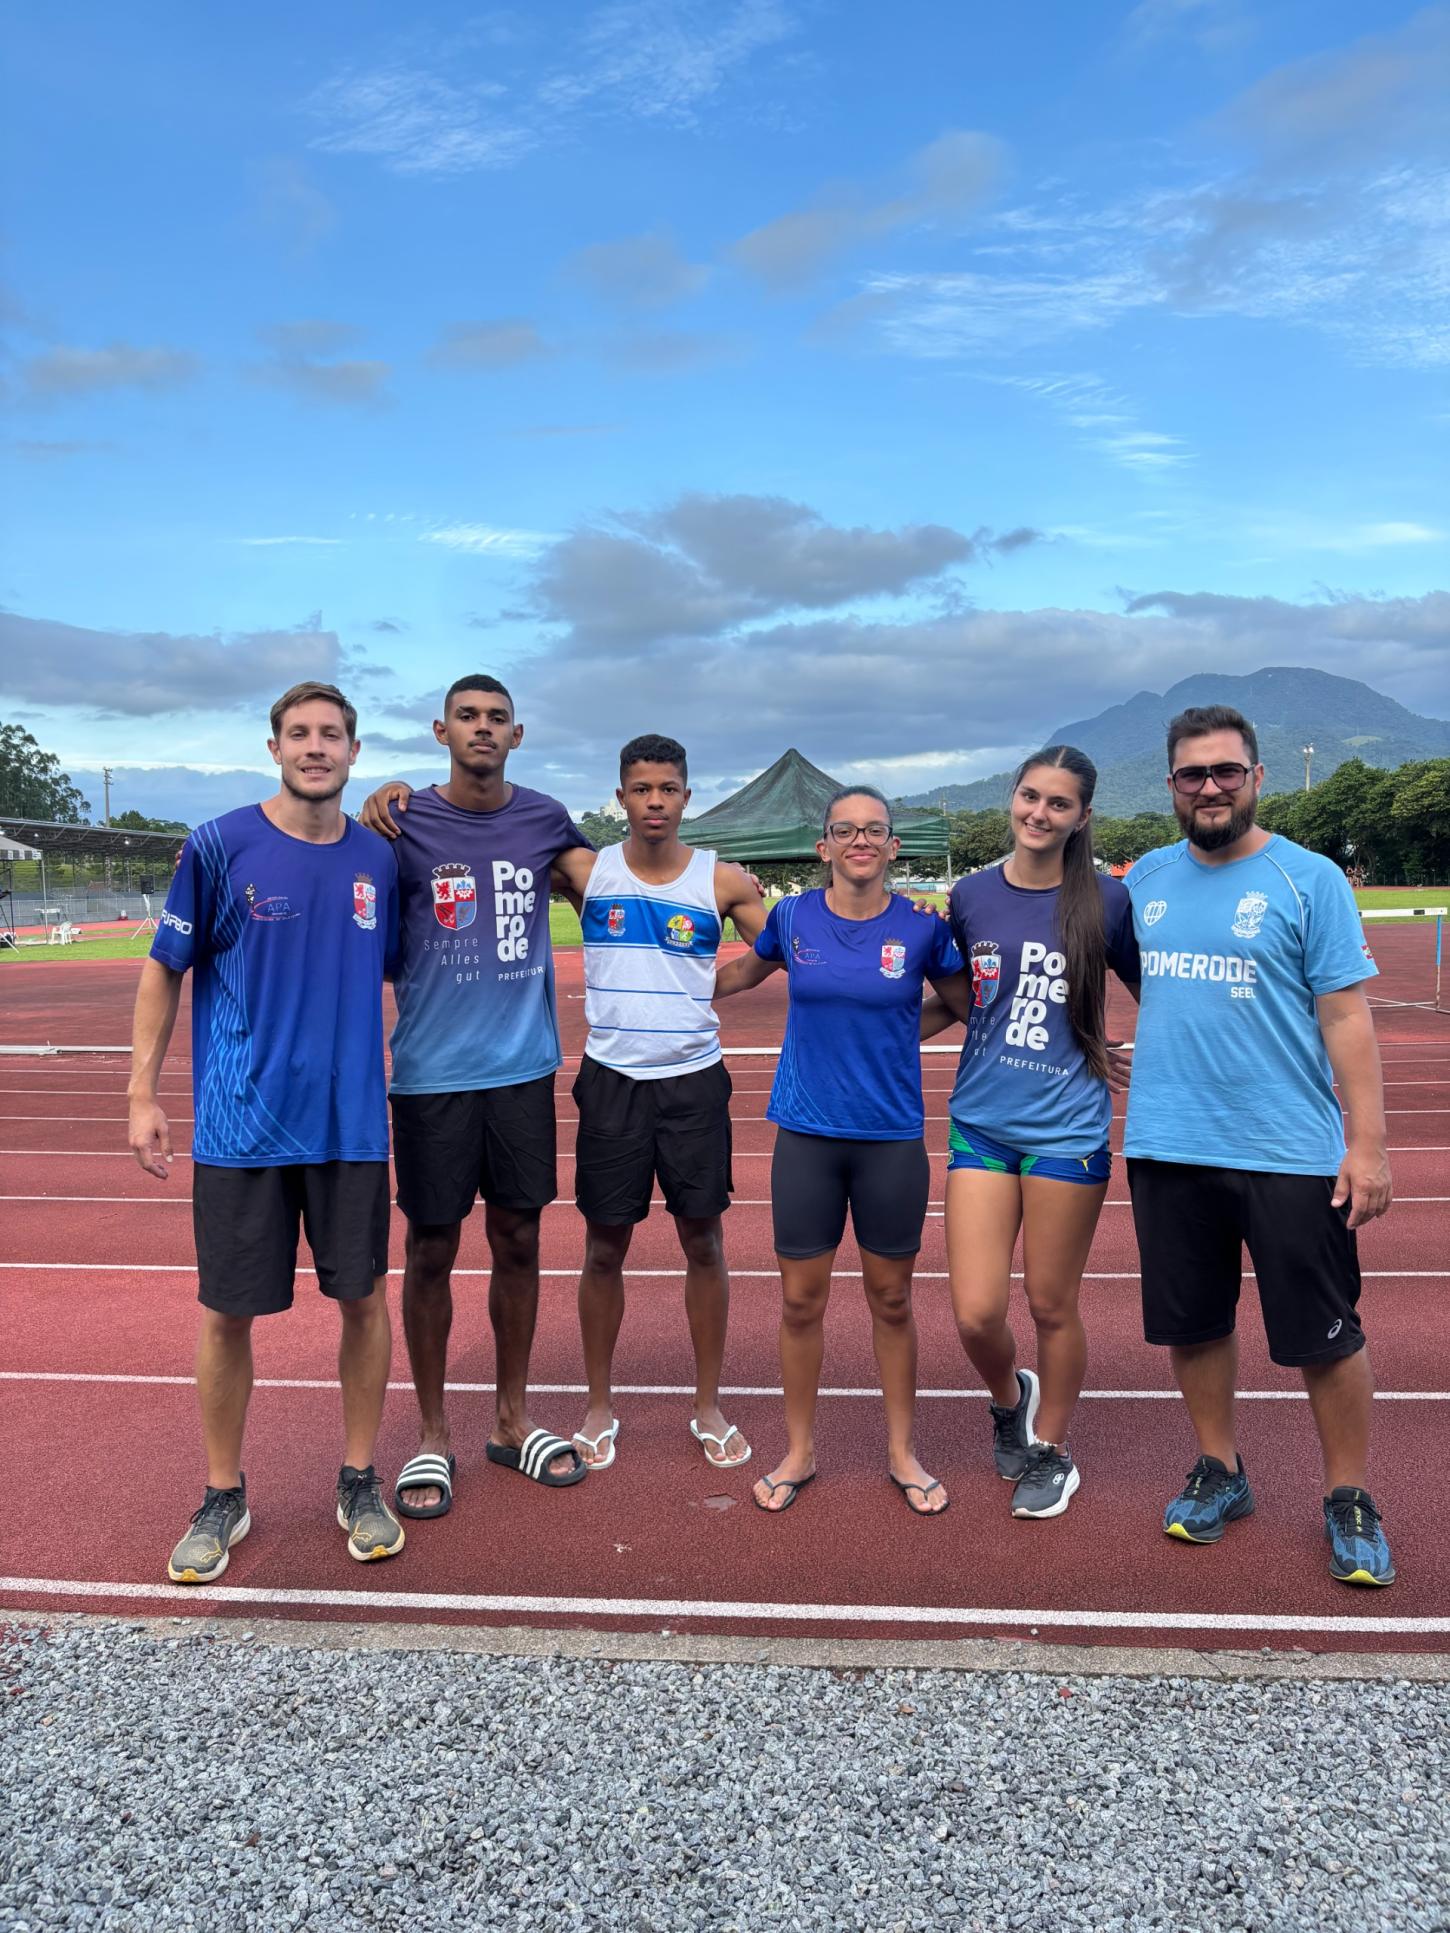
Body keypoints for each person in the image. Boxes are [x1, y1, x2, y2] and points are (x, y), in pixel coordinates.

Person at [128, 681, 404, 1582]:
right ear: (274, 746)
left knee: (363, 1302)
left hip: (352, 1125)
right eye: (299, 733)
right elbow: (164, 970)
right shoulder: (219, 846)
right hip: (242, 1127)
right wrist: (142, 1094)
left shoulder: (379, 857)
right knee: (227, 1312)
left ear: (354, 752)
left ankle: (359, 1479)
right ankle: (223, 1495)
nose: (315, 747)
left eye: (332, 734)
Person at [1124, 704, 1395, 1585]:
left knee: (1326, 1335)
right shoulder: (1145, 880)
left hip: (1289, 1147)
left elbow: (1346, 1015)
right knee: (1194, 1325)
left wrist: (1369, 1145)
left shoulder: (1307, 879)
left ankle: (1348, 1495)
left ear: (1256, 778)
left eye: (1226, 772)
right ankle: (1220, 1469)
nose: (1210, 787)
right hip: (1168, 1143)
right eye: (1193, 774)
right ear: (1170, 785)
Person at [359, 677, 599, 1514]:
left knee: (521, 1240)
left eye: (497, 718)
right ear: (440, 730)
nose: (484, 728)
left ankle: (511, 1417)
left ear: (518, 733)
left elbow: (608, 891)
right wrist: (370, 799)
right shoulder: (401, 821)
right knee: (429, 1248)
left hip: (523, 1070)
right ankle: (431, 1434)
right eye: (469, 716)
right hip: (431, 1071)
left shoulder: (545, 817)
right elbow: (361, 910)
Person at [714, 788, 966, 1515]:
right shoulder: (792, 918)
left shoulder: (922, 926)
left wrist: (893, 1036)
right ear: (823, 846)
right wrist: (669, 993)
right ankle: (799, 1449)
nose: (861, 840)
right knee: (800, 1301)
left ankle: (901, 1451)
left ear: (893, 847)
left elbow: (960, 1000)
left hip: (889, 1137)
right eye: (845, 830)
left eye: (875, 830)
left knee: (891, 1298)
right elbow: (743, 972)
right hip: (806, 1136)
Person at [921, 746, 1139, 1519]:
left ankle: (1050, 1448)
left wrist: (1131, 1053)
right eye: (1029, 796)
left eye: (1058, 803)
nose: (1039, 813)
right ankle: (1011, 1397)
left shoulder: (1107, 902)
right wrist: (873, 1032)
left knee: (1051, 1302)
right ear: (1013, 798)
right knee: (977, 1312)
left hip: (1067, 1128)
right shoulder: (972, 895)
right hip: (982, 1121)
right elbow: (956, 999)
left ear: (1082, 816)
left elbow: (1158, 994)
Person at [570, 733, 766, 1471]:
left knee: (703, 1242)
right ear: (620, 796)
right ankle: (597, 1405)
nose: (655, 801)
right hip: (611, 1079)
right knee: (602, 1247)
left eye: (669, 788)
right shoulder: (588, 871)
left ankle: (708, 1405)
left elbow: (778, 946)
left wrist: (712, 984)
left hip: (693, 1081)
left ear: (688, 795)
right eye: (641, 788)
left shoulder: (722, 880)